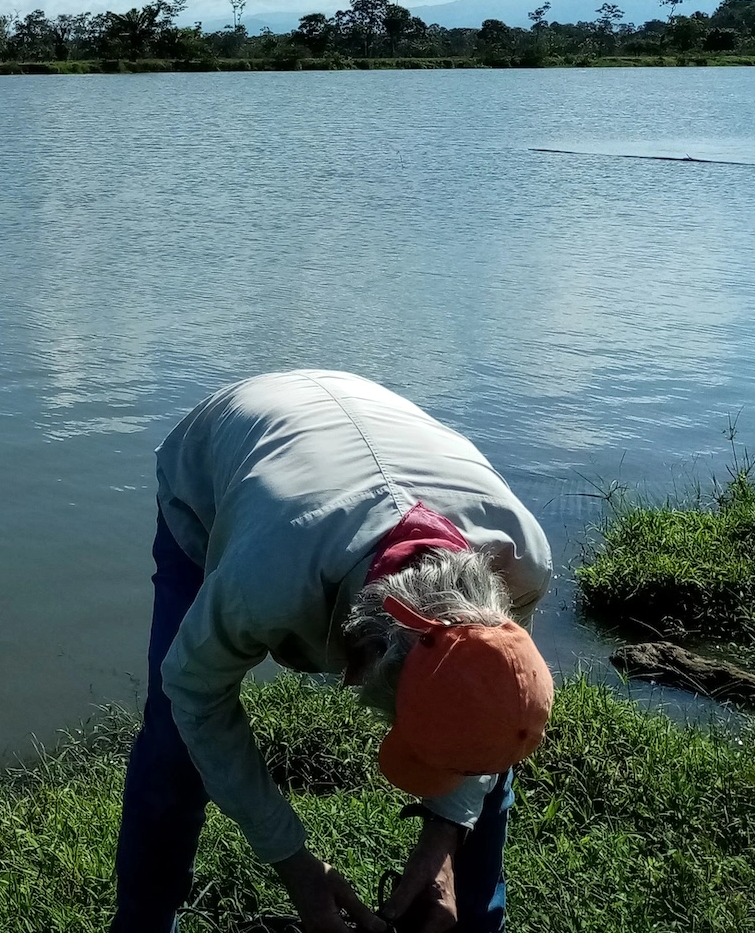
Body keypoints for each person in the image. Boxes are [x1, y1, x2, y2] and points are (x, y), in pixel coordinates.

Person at [112, 370, 554, 933]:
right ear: (360, 664)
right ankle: (142, 923)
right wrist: (296, 864)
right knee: (175, 736)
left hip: (365, 430)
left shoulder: (519, 558)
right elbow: (195, 691)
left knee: (487, 730)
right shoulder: (264, 575)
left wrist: (448, 836)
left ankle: (472, 920)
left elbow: (490, 710)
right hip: (218, 452)